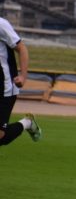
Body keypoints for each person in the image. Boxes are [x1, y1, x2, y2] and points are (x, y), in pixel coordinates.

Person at [0, 15, 42, 148]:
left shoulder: (1, 24)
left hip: (5, 88)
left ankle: (27, 123)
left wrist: (23, 76)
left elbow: (22, 48)